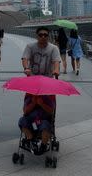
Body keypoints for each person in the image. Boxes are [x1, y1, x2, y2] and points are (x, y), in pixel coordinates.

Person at [19, 26, 61, 154]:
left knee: (49, 108)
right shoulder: (30, 47)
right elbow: (25, 59)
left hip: (47, 83)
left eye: (45, 35)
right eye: (41, 35)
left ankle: (47, 131)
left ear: (48, 36)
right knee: (29, 104)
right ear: (37, 36)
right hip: (33, 81)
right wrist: (26, 68)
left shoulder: (53, 48)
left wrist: (56, 71)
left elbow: (56, 62)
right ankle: (31, 134)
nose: (43, 37)